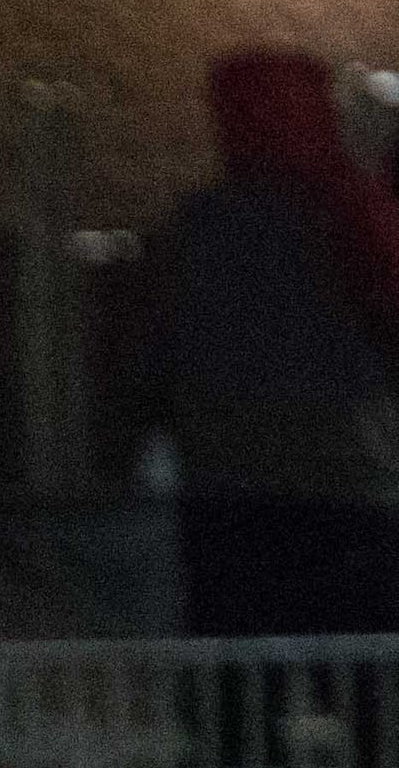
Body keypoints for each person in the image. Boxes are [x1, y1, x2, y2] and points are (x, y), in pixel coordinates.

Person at [164, 51, 399, 635]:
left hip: (227, 482)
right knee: (357, 655)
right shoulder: (348, 208)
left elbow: (163, 345)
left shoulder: (201, 222)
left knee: (239, 656)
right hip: (346, 478)